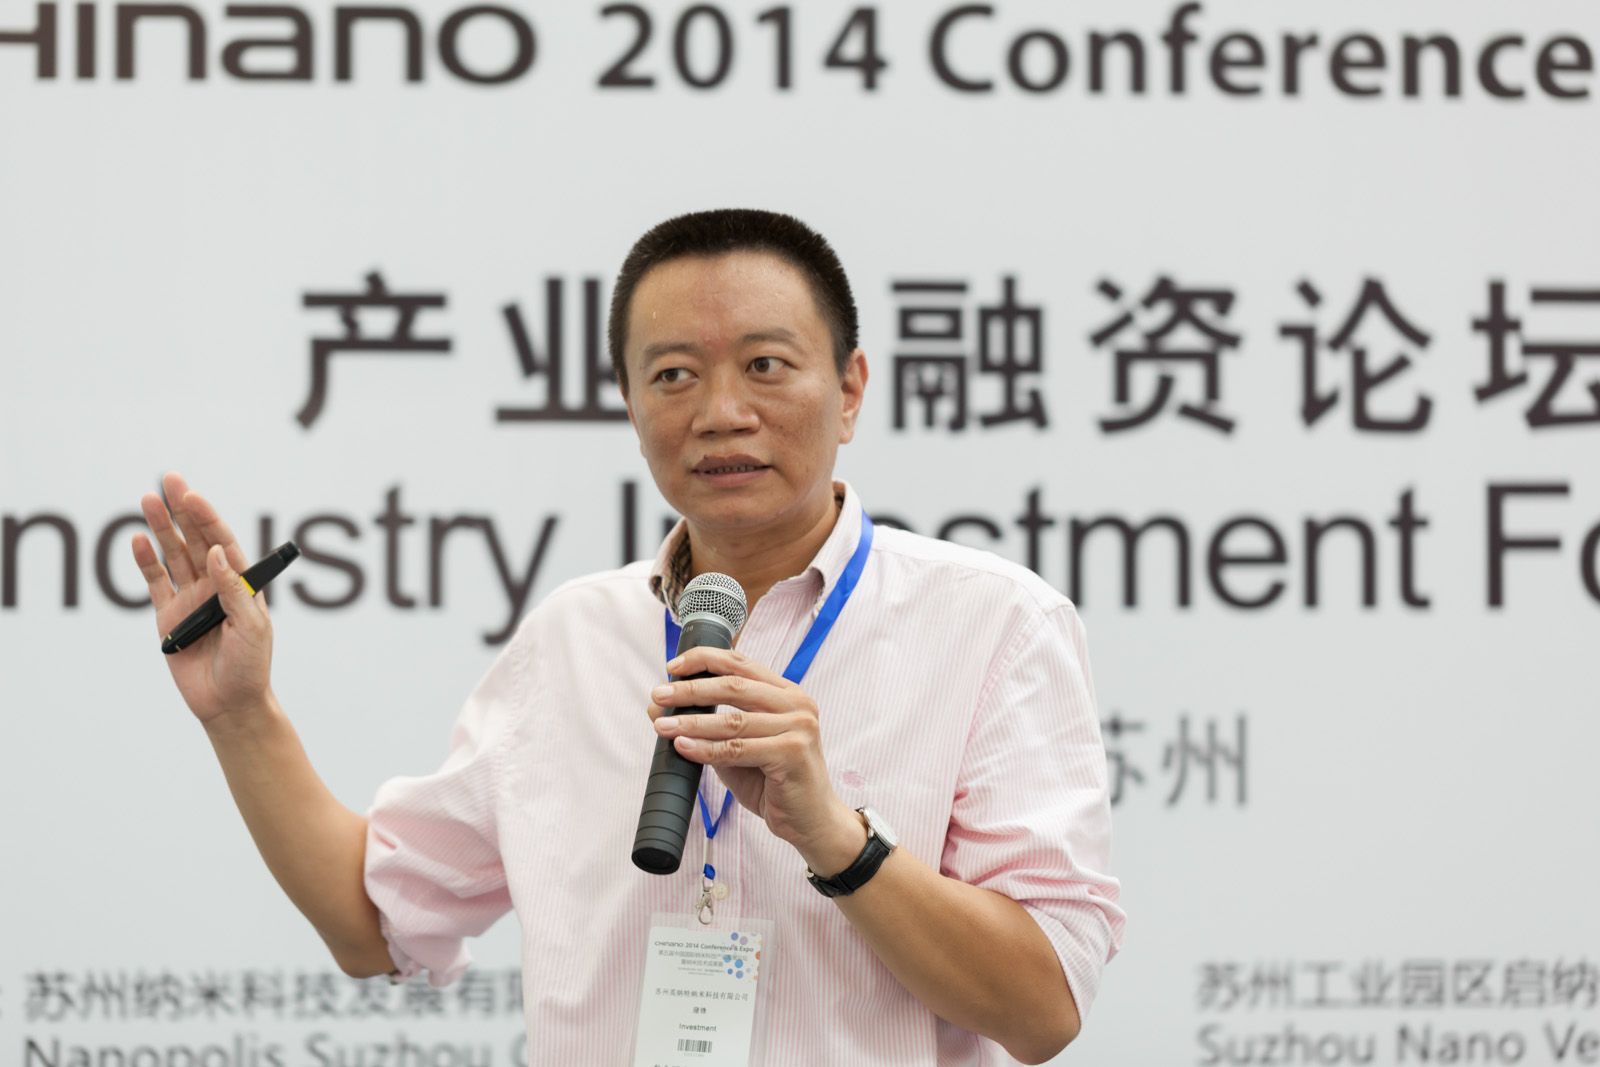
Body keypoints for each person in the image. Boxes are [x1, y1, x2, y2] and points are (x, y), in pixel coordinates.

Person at [133, 209, 1123, 1065]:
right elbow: (371, 922)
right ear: (630, 403)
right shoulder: (574, 636)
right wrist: (242, 714)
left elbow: (1042, 1009)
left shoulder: (992, 623)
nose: (721, 413)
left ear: (850, 388)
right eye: (674, 374)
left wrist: (836, 836)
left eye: (766, 365)